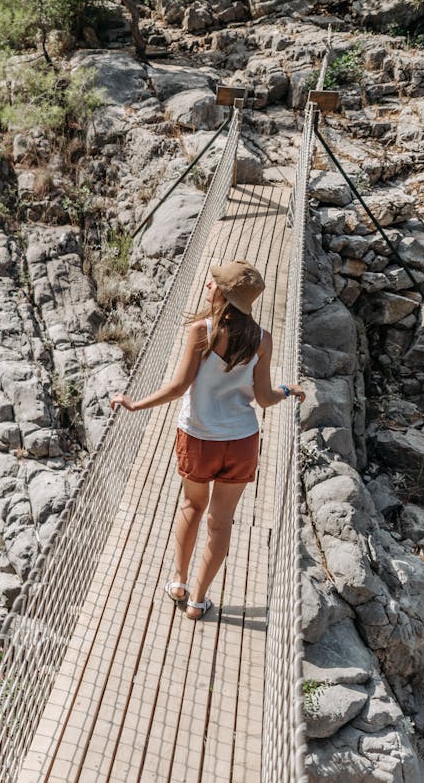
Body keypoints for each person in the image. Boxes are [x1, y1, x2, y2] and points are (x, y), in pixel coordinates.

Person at [109, 260, 306, 621]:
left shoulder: (202, 330)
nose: (207, 285)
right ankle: (199, 601)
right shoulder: (263, 339)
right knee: (221, 521)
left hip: (199, 438)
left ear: (223, 294)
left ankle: (179, 583)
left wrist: (136, 404)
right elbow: (263, 399)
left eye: (214, 283)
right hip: (242, 440)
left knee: (192, 507)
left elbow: (178, 387)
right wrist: (286, 390)